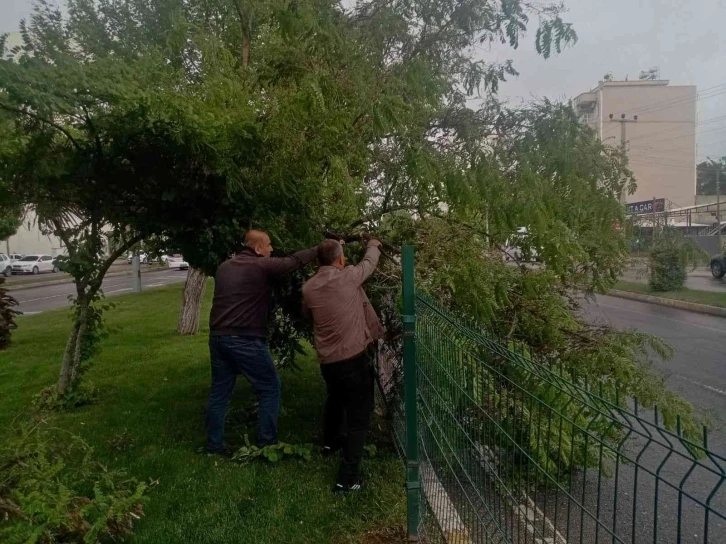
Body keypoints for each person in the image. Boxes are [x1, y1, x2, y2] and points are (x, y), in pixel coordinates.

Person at [205, 230, 318, 455]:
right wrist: (320, 249)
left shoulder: (224, 267)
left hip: (218, 337)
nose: (272, 249)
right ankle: (267, 443)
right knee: (269, 388)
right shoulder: (260, 266)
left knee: (220, 392)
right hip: (245, 338)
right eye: (268, 245)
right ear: (257, 249)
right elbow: (293, 262)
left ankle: (213, 445)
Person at [302, 238, 384, 493]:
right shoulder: (349, 277)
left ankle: (330, 444)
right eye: (343, 256)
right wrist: (373, 244)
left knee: (336, 400)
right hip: (353, 360)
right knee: (359, 419)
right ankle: (346, 479)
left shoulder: (308, 288)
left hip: (329, 363)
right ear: (339, 260)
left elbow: (307, 315)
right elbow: (370, 262)